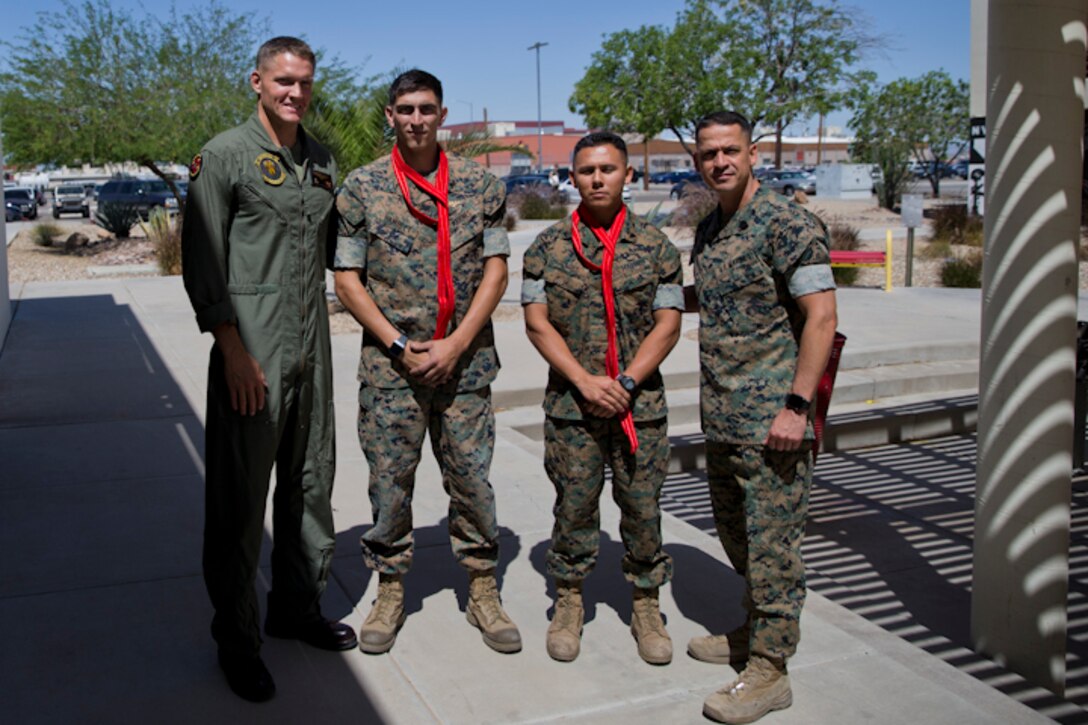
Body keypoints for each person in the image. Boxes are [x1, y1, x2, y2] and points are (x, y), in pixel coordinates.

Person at [181, 36, 357, 703]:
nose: (295, 92)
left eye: (305, 82)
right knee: (239, 498)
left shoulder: (320, 158)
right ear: (257, 80)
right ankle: (238, 638)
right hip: (250, 350)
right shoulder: (224, 155)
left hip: (312, 348)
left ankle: (296, 606)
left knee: (311, 482)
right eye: (284, 80)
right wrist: (231, 347)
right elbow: (204, 257)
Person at [333, 69, 521, 656]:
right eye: (406, 109)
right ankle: (390, 589)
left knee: (471, 480)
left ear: (443, 116)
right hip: (393, 370)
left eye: (428, 109)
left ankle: (483, 588)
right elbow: (347, 279)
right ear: (390, 115)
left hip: (463, 364)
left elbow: (495, 270)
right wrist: (396, 344)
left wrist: (458, 342)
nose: (416, 119)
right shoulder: (362, 188)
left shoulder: (478, 186)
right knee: (390, 485)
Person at [684, 111, 837, 724]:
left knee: (775, 548)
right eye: (708, 154)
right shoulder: (708, 229)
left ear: (752, 153)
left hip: (775, 421)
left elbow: (821, 318)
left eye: (729, 151)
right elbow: (716, 302)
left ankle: (771, 670)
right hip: (723, 418)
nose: (719, 162)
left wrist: (797, 408)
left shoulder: (787, 224)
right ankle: (754, 635)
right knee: (740, 539)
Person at [521, 132, 683, 664]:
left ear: (628, 176)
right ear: (572, 176)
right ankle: (568, 601)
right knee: (574, 506)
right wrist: (586, 382)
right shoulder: (547, 248)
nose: (597, 179)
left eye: (608, 169)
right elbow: (537, 324)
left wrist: (628, 383)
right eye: (586, 170)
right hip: (573, 407)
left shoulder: (656, 248)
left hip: (639, 406)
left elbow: (668, 324)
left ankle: (646, 604)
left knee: (642, 509)